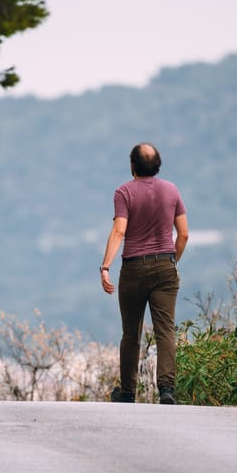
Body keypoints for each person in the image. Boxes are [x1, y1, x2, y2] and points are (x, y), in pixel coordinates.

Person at [100, 142, 189, 404]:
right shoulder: (171, 191)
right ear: (157, 164)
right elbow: (183, 234)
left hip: (133, 269)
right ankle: (167, 389)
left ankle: (127, 392)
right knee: (166, 330)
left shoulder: (124, 192)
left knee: (131, 333)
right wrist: (171, 261)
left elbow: (119, 231)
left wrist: (105, 266)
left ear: (132, 165)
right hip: (165, 265)